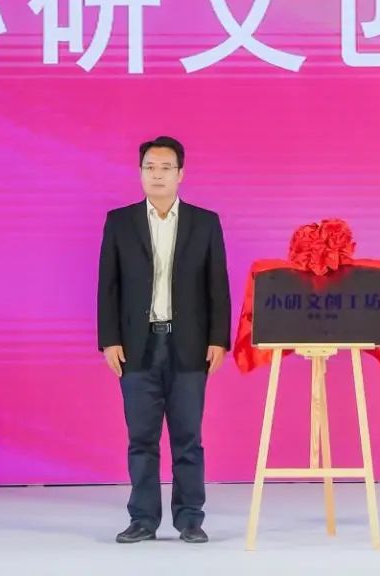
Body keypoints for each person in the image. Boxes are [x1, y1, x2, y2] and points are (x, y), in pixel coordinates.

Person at [97, 136, 231, 544]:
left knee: (188, 438)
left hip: (189, 344)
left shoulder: (204, 223)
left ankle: (190, 519)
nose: (157, 175)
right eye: (149, 168)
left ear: (180, 174)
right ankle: (143, 519)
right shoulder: (120, 222)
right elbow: (108, 286)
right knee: (141, 438)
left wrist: (218, 339)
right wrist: (109, 340)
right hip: (136, 346)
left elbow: (218, 286)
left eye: (165, 168)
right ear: (140, 173)